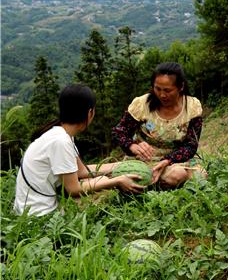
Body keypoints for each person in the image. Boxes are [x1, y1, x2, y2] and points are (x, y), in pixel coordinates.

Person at [14, 85, 144, 216]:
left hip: (29, 210)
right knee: (103, 189)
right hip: (38, 215)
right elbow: (73, 189)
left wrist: (120, 166)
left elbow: (81, 171)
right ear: (90, 113)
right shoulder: (61, 141)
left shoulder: (60, 134)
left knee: (102, 180)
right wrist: (117, 180)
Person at [112, 62, 204, 188]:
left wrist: (168, 160)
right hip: (143, 161)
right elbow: (119, 131)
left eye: (167, 90)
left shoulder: (192, 107)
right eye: (157, 89)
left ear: (181, 86)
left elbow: (191, 146)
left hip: (175, 161)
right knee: (179, 176)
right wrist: (132, 146)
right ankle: (148, 179)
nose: (162, 95)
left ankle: (150, 182)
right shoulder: (141, 104)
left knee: (195, 175)